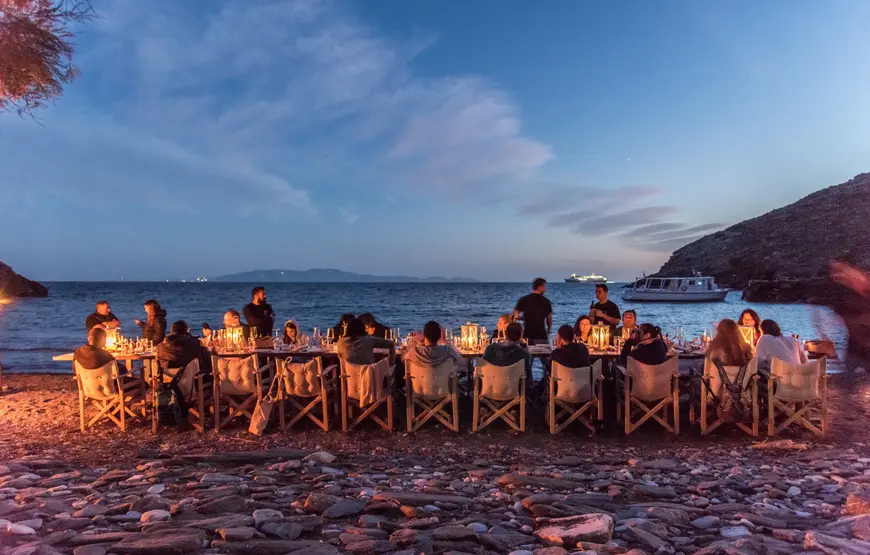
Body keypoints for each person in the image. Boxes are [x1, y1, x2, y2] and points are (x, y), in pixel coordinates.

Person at [827, 259, 870, 374]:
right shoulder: (843, 297)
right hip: (855, 351)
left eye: (840, 270)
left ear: (853, 269)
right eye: (833, 272)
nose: (835, 275)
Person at [513, 278, 552, 345]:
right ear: (540, 287)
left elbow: (515, 315)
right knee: (543, 354)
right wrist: (548, 330)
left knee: (526, 354)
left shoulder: (524, 299)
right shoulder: (546, 301)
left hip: (527, 335)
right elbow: (549, 320)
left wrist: (522, 317)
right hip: (541, 335)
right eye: (544, 287)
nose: (545, 289)